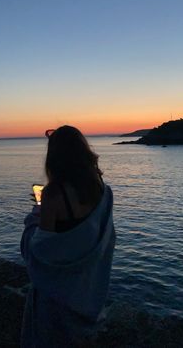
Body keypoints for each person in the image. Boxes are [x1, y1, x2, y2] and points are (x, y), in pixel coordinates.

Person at [20, 126, 116, 348]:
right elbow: (102, 238)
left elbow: (40, 251)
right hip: (86, 293)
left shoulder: (53, 193)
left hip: (57, 300)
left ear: (54, 156)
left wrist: (37, 212)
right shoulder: (101, 189)